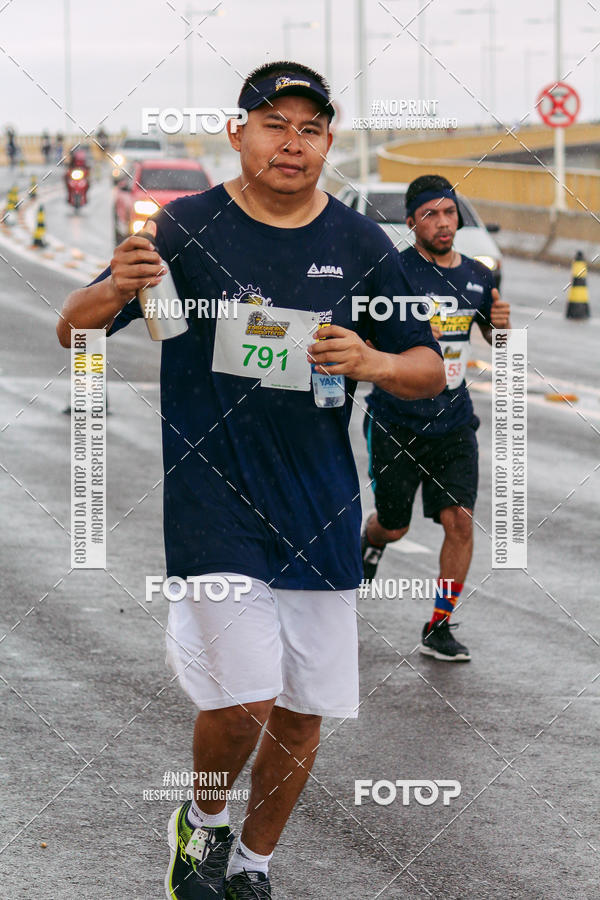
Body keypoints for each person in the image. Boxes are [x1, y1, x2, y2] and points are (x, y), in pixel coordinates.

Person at [57, 62, 444, 899]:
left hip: (320, 508)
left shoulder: (357, 242)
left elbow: (429, 368)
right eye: (274, 124)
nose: (291, 142)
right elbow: (72, 326)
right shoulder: (187, 228)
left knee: (305, 712)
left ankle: (253, 865)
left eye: (309, 128)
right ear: (238, 132)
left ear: (327, 141)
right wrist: (115, 288)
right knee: (245, 703)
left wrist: (372, 357)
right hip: (213, 504)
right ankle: (200, 825)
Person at [361, 174, 511, 663]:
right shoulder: (391, 273)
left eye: (449, 213)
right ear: (412, 223)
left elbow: (493, 342)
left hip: (453, 422)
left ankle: (439, 624)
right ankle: (372, 539)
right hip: (396, 421)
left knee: (460, 523)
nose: (444, 222)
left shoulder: (478, 276)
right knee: (395, 524)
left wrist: (503, 329)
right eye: (431, 214)